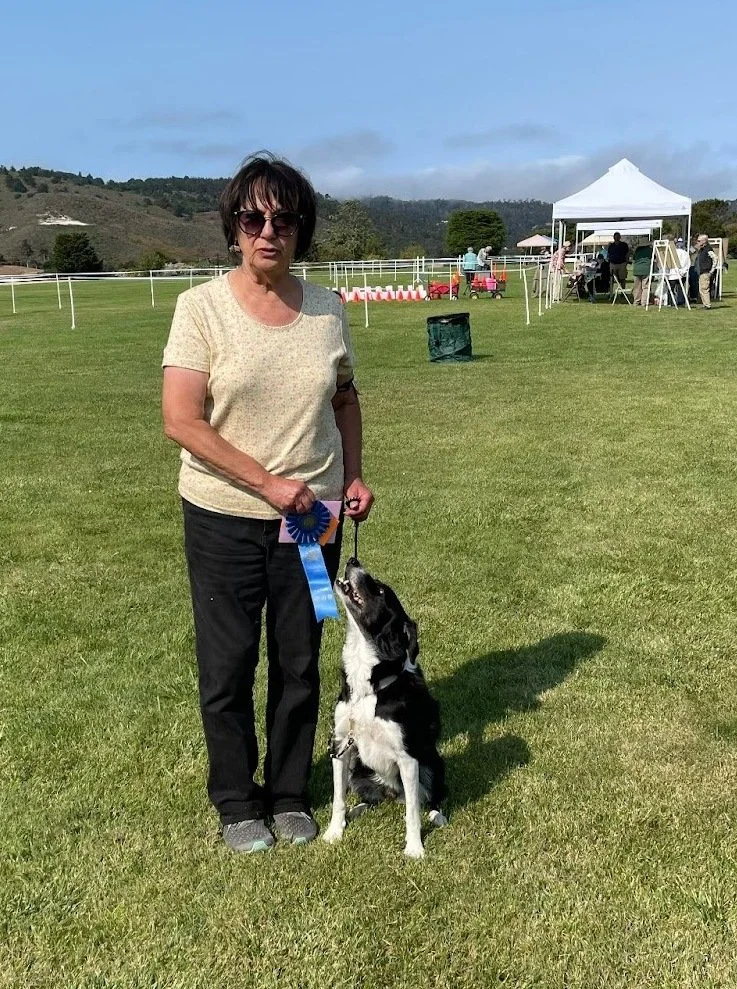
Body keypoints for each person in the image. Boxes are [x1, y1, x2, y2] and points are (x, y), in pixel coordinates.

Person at [161, 153, 374, 853]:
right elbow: (182, 419)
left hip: (311, 525)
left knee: (299, 660)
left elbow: (345, 397)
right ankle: (234, 799)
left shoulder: (327, 310)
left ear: (300, 229)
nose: (268, 231)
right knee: (226, 665)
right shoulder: (200, 309)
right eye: (253, 217)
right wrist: (267, 483)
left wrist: (351, 476)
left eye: (285, 219)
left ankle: (287, 792)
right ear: (232, 227)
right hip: (223, 517)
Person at [693, 233, 718, 309]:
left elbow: (715, 258)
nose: (697, 242)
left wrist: (711, 271)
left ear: (704, 241)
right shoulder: (702, 249)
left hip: (706, 272)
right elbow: (692, 250)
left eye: (699, 241)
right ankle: (705, 304)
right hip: (702, 272)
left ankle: (707, 305)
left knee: (704, 289)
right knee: (701, 289)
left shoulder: (708, 249)